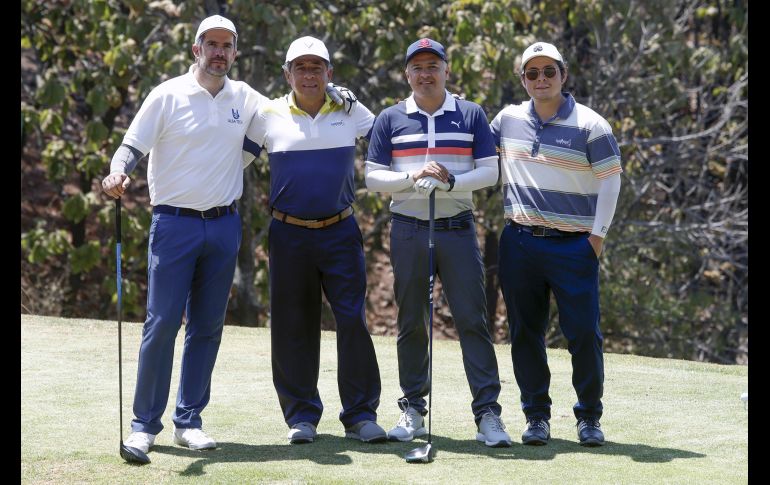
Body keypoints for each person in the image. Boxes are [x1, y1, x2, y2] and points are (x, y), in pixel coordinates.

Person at [101, 15, 262, 454]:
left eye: (226, 45)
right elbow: (131, 146)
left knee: (207, 327)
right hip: (174, 224)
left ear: (235, 52)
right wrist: (118, 172)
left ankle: (188, 421)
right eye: (211, 44)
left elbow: (280, 121)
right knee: (162, 323)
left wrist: (334, 96)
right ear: (196, 49)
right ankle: (144, 425)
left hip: (224, 225)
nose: (219, 52)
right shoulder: (167, 94)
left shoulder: (245, 96)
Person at [365, 38, 512, 447]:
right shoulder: (391, 118)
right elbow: (372, 176)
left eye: (433, 66)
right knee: (411, 320)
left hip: (457, 229)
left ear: (447, 70)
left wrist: (451, 182)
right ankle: (413, 408)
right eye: (418, 67)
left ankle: (487, 414)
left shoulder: (470, 114)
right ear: (407, 74)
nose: (425, 74)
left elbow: (490, 171)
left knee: (472, 320)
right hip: (409, 228)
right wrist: (410, 178)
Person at [243, 36, 386, 444]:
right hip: (288, 233)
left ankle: (360, 414)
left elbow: (389, 134)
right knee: (293, 323)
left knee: (352, 319)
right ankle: (301, 416)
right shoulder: (268, 114)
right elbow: (233, 159)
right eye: (301, 68)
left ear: (329, 73)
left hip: (340, 230)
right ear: (287, 74)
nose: (309, 74)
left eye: (316, 67)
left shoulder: (349, 110)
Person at [490, 41, 622, 447]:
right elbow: (472, 144)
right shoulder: (507, 120)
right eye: (532, 73)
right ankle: (536, 417)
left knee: (583, 334)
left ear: (564, 75)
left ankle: (589, 417)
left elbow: (611, 180)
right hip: (519, 242)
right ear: (523, 80)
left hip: (574, 246)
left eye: (549, 71)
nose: (541, 79)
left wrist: (597, 238)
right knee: (525, 332)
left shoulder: (591, 125)